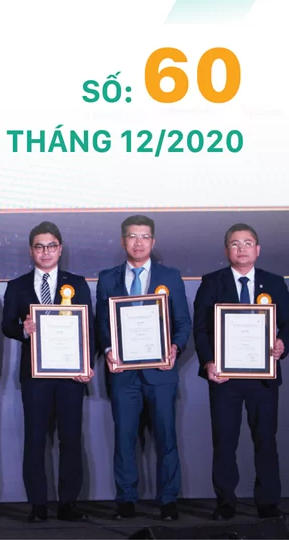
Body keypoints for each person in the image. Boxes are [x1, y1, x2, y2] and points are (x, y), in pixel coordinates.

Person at [95, 214, 190, 521]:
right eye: (133, 236)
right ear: (123, 240)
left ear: (153, 241)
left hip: (160, 374)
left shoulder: (170, 276)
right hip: (123, 374)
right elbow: (102, 324)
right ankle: (126, 500)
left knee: (166, 439)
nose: (139, 242)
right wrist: (108, 350)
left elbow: (182, 322)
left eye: (145, 236)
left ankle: (168, 501)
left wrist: (175, 347)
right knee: (124, 440)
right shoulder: (107, 278)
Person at [192, 223, 289, 520]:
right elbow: (201, 328)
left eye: (247, 243)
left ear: (257, 249)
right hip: (225, 379)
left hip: (263, 378)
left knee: (266, 441)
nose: (241, 248)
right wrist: (209, 362)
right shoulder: (212, 282)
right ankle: (225, 502)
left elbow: (287, 324)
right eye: (235, 243)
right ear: (227, 250)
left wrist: (283, 344)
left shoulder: (274, 282)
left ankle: (268, 502)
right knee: (224, 441)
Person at [1, 222, 93, 522]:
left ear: (60, 249)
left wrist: (87, 365)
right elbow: (6, 325)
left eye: (51, 246)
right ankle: (38, 505)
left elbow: (89, 328)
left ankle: (68, 504)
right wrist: (23, 330)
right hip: (35, 376)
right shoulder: (17, 286)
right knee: (35, 440)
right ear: (31, 251)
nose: (45, 252)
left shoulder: (77, 283)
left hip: (71, 376)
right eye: (39, 246)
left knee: (71, 439)